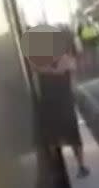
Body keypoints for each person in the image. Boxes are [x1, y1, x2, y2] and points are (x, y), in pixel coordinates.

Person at [24, 26, 89, 178]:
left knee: (59, 135)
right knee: (59, 135)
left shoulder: (58, 59)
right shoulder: (60, 58)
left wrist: (45, 68)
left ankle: (75, 165)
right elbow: (57, 69)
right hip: (58, 100)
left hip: (57, 100)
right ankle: (76, 166)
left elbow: (49, 69)